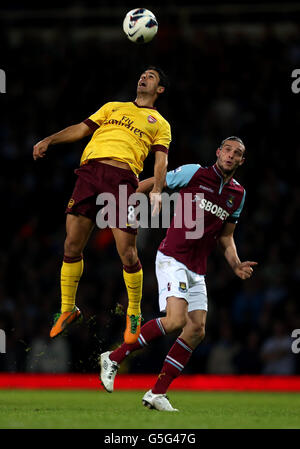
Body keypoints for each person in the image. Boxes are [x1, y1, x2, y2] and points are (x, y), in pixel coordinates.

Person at [99, 136, 257, 411]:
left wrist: (236, 263)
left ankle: (156, 393)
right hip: (172, 256)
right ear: (218, 152)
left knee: (196, 330)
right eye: (227, 150)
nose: (231, 155)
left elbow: (226, 237)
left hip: (197, 269)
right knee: (174, 321)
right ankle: (114, 356)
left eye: (237, 153)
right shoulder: (194, 172)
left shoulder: (238, 194)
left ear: (242, 160)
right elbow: (154, 183)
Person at [32, 66, 171, 344]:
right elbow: (81, 129)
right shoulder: (112, 107)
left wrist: (157, 188)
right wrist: (50, 139)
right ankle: (68, 308)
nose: (143, 77)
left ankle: (134, 313)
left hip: (122, 179)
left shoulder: (160, 123)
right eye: (142, 74)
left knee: (127, 252)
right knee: (71, 244)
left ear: (159, 90)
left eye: (151, 77)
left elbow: (161, 161)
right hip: (90, 173)